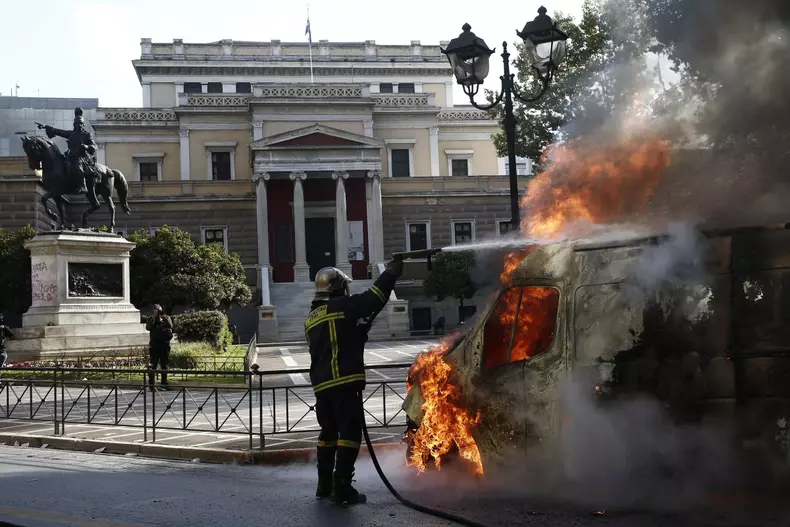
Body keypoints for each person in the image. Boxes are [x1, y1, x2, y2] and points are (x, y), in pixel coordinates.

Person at [306, 260, 403, 505]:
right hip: (343, 382)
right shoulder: (341, 307)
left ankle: (323, 484)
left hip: (321, 387)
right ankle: (343, 487)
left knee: (328, 433)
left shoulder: (311, 319)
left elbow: (331, 343)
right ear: (337, 288)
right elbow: (373, 298)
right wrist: (390, 274)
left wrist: (356, 334)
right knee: (349, 432)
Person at [40, 107, 97, 194]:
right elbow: (59, 131)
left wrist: (86, 146)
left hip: (82, 157)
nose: (78, 125)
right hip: (70, 156)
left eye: (80, 124)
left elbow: (94, 146)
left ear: (83, 125)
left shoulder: (87, 135)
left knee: (78, 166)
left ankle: (83, 186)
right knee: (60, 164)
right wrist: (47, 127)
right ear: (74, 125)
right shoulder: (71, 134)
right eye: (76, 124)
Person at [145, 304, 173, 390]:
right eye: (155, 310)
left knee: (164, 365)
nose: (157, 312)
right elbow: (148, 327)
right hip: (154, 346)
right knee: (152, 365)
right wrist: (154, 318)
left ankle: (164, 383)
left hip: (164, 345)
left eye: (159, 310)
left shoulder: (166, 318)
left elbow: (171, 326)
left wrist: (164, 319)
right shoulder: (151, 319)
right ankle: (151, 385)